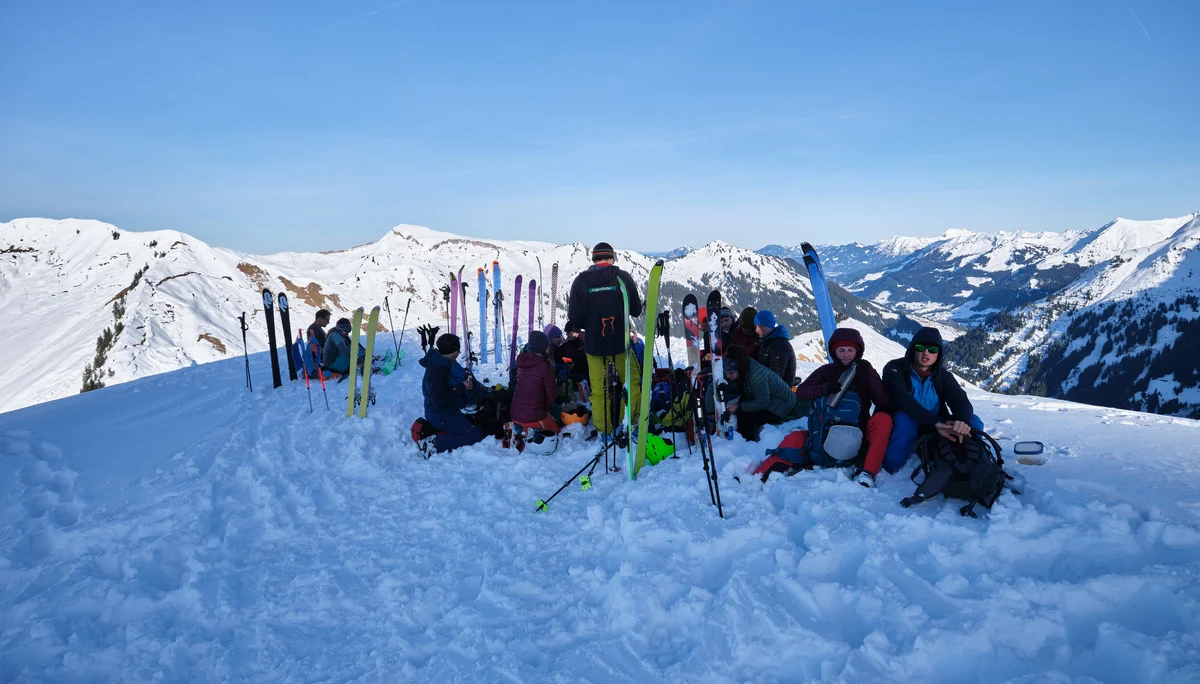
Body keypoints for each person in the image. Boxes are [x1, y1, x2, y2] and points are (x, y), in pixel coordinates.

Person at [784, 328, 892, 487]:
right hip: (827, 429)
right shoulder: (826, 371)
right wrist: (825, 388)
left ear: (858, 351)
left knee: (883, 419)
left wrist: (869, 374)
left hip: (859, 430)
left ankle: (867, 471)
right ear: (834, 351)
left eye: (850, 350)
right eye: (841, 350)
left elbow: (883, 402)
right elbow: (801, 392)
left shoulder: (865, 371)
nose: (846, 354)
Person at [881, 327, 984, 474]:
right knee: (904, 422)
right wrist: (935, 423)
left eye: (933, 349)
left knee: (974, 421)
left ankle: (972, 460)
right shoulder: (895, 368)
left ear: (939, 353)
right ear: (912, 349)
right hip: (905, 422)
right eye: (920, 347)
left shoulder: (943, 376)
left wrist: (963, 423)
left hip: (936, 424)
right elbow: (903, 401)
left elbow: (960, 401)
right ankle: (893, 465)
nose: (926, 353)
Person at [567, 242, 643, 435]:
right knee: (631, 382)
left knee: (599, 390)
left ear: (594, 259)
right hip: (620, 343)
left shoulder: (580, 282)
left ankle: (603, 430)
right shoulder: (622, 278)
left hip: (594, 345)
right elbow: (635, 310)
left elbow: (575, 318)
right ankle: (630, 423)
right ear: (612, 258)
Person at [718, 346, 808, 441]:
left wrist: (739, 406)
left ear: (740, 370)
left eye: (731, 373)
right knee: (740, 406)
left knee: (746, 417)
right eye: (726, 372)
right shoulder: (740, 366)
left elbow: (762, 402)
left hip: (782, 405)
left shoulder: (757, 376)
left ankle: (746, 443)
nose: (728, 376)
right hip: (771, 399)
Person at [419, 334, 484, 453]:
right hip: (439, 414)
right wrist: (461, 387)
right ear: (450, 351)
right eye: (457, 350)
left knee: (475, 424)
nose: (459, 353)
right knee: (475, 435)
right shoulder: (438, 371)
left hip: (446, 411)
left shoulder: (440, 363)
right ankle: (432, 444)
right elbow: (440, 402)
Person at [511, 331, 559, 433]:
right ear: (543, 348)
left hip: (514, 414)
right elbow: (551, 395)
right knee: (556, 428)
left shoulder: (521, 363)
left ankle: (519, 429)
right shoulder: (545, 367)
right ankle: (531, 431)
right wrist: (546, 410)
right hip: (533, 416)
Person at [754, 310, 796, 385]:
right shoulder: (765, 341)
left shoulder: (780, 345)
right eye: (756, 326)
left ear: (769, 327)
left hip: (781, 390)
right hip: (768, 386)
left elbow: (775, 377)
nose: (756, 330)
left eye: (760, 326)